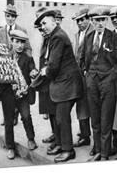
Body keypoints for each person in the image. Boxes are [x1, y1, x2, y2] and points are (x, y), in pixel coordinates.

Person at [34, 9, 83, 163]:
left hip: (67, 84)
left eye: (45, 23)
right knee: (59, 117)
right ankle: (61, 145)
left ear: (54, 22)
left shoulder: (58, 37)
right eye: (41, 24)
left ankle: (68, 150)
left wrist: (44, 71)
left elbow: (53, 66)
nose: (43, 26)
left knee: (62, 118)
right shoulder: (54, 36)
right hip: (63, 83)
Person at [80, 7, 117, 161]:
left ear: (106, 20)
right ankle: (97, 148)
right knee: (95, 118)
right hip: (92, 83)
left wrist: (111, 77)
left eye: (103, 19)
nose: (100, 23)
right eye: (97, 20)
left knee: (106, 119)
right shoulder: (89, 37)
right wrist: (87, 74)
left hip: (108, 83)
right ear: (92, 21)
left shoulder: (114, 37)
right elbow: (83, 58)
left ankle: (104, 153)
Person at [0, 4, 32, 126]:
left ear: (15, 18)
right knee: (7, 93)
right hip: (6, 67)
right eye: (8, 16)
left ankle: (15, 115)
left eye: (13, 16)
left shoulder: (22, 30)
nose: (10, 18)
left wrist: (25, 62)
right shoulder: (0, 31)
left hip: (19, 67)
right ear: (5, 16)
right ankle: (8, 116)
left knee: (19, 91)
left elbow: (28, 48)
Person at [10, 29, 38, 152]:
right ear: (12, 42)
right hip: (9, 94)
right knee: (8, 121)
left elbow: (33, 68)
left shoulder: (27, 58)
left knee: (26, 116)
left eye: (22, 42)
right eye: (17, 42)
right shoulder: (6, 56)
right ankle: (10, 146)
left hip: (23, 93)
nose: (20, 45)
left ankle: (31, 139)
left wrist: (33, 72)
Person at [35, 7, 57, 148]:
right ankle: (55, 134)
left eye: (42, 21)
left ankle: (57, 138)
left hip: (50, 78)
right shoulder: (43, 35)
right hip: (44, 79)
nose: (40, 26)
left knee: (54, 111)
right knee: (48, 110)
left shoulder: (51, 36)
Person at [71, 7, 93, 147]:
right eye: (77, 20)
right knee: (81, 106)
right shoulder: (78, 34)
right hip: (79, 76)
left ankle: (88, 137)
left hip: (90, 76)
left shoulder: (92, 32)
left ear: (88, 19)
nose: (79, 23)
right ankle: (84, 134)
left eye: (82, 20)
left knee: (90, 107)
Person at [109, 6, 117, 157]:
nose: (116, 20)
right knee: (113, 114)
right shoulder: (110, 36)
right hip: (113, 80)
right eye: (113, 18)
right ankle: (116, 145)